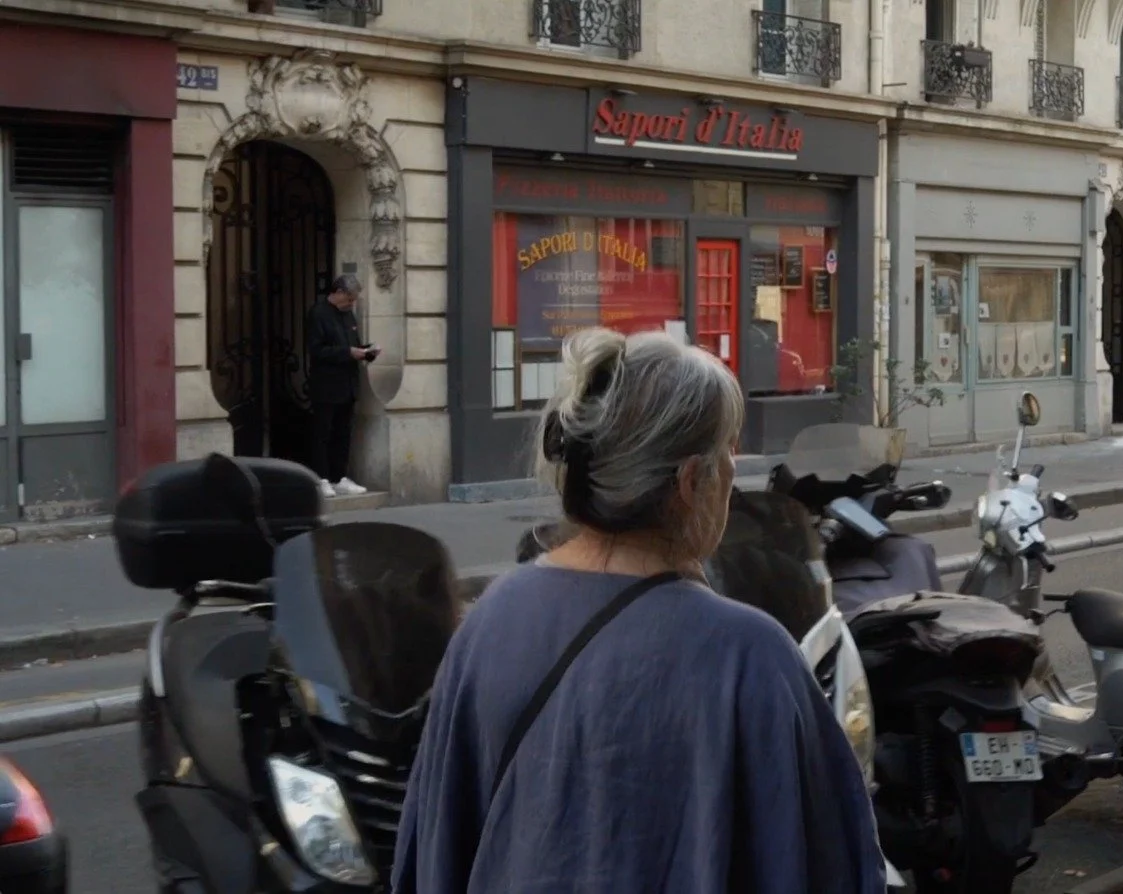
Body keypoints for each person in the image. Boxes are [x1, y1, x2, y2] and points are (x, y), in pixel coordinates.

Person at [391, 328, 886, 894]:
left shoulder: (489, 622)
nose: (734, 473)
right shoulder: (748, 657)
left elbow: (432, 849)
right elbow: (830, 864)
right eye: (729, 452)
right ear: (690, 482)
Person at [306, 274, 376, 499]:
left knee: (343, 434)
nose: (351, 304)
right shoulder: (318, 314)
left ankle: (340, 478)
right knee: (322, 434)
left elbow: (353, 346)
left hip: (348, 384)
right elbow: (317, 350)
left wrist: (366, 352)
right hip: (326, 385)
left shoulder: (348, 315)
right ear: (337, 293)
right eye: (349, 299)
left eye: (354, 300)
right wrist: (347, 353)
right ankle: (321, 479)